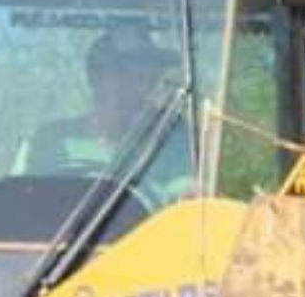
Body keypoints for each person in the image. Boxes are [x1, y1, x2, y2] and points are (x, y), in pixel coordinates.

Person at [15, 21, 191, 198]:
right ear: (96, 79)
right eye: (127, 75)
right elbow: (15, 207)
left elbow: (191, 204)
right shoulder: (49, 144)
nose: (142, 89)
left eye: (149, 78)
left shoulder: (171, 141)